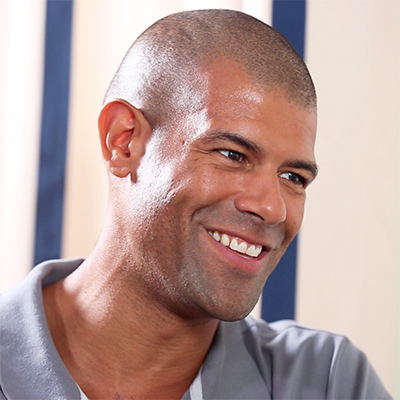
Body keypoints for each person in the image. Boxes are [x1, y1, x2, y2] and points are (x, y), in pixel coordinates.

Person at [0, 9, 392, 400]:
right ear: (124, 141)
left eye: (293, 177)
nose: (273, 208)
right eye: (232, 154)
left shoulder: (329, 382)